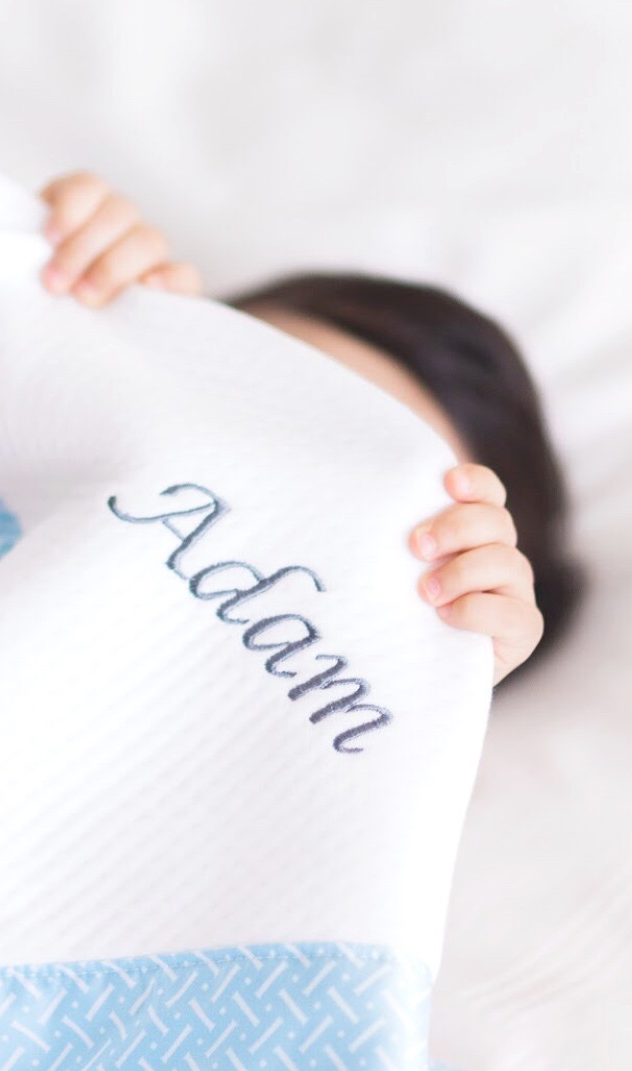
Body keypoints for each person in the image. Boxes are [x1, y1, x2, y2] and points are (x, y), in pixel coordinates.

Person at [36, 171, 586, 688]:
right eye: (243, 395)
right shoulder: (48, 381)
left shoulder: (331, 712)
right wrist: (38, 280)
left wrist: (438, 698)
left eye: (331, 505)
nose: (230, 483)